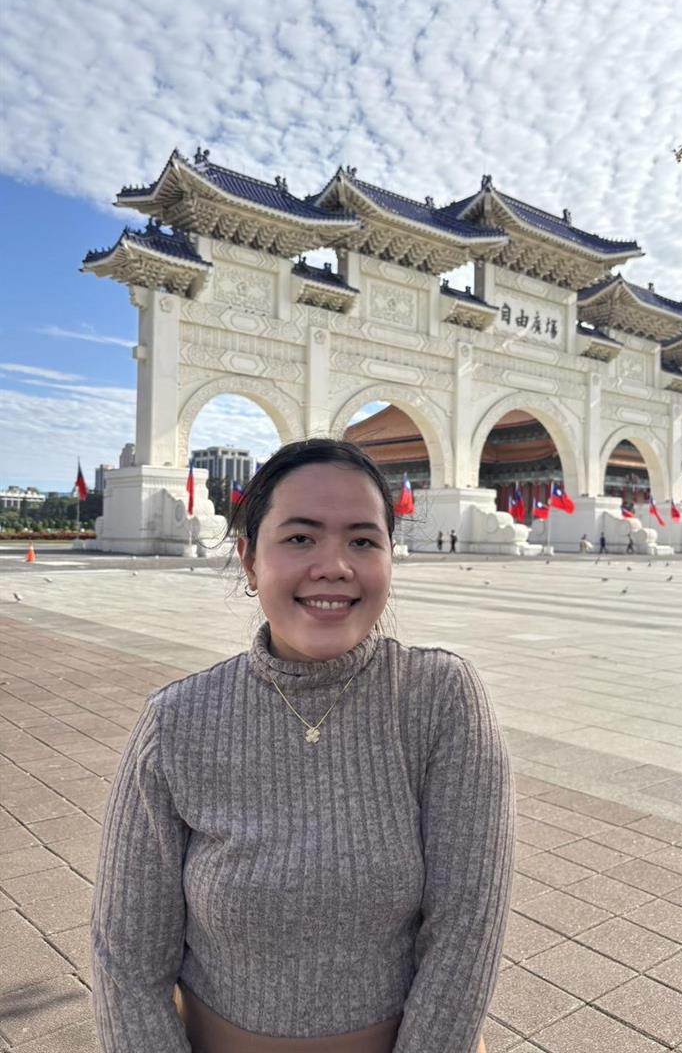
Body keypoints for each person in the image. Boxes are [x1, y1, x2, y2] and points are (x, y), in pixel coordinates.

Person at [91, 439, 511, 1053]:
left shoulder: (441, 699)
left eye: (362, 541)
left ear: (390, 557)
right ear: (249, 560)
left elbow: (467, 927)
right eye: (300, 538)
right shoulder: (177, 720)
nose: (334, 565)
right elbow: (126, 960)